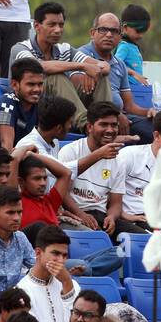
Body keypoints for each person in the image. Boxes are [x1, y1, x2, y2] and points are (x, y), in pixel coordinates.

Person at [10, 2, 103, 132]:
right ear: (37, 26)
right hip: (32, 102)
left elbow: (103, 66)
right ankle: (88, 127)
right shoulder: (21, 48)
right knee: (56, 77)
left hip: (61, 104)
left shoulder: (64, 49)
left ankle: (106, 121)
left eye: (61, 25)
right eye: (52, 25)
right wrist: (84, 67)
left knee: (100, 77)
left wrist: (92, 72)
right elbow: (39, 67)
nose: (58, 30)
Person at [75, 13, 155, 143]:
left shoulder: (120, 64)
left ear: (120, 35)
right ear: (92, 33)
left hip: (121, 117)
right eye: (103, 30)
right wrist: (115, 115)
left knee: (160, 128)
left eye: (114, 31)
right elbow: (81, 96)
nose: (108, 35)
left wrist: (148, 112)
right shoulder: (81, 56)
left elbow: (129, 106)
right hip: (92, 118)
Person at [55, 101, 130, 239]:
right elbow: (62, 193)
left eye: (114, 125)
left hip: (101, 216)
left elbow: (116, 202)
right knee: (97, 239)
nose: (110, 130)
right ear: (89, 127)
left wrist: (112, 217)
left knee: (147, 241)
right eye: (103, 124)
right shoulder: (70, 151)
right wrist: (81, 214)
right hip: (75, 212)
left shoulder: (119, 160)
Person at [113, 108, 161, 231]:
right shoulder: (129, 155)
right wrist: (123, 214)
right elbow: (106, 190)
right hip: (133, 220)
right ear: (157, 135)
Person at [15, 225, 78, 322]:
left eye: (64, 255)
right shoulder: (21, 291)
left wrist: (67, 284)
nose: (61, 260)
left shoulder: (70, 284)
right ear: (38, 253)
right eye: (56, 254)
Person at [0, 57, 46, 150]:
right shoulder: (6, 105)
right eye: (31, 84)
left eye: (40, 84)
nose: (37, 89)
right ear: (15, 85)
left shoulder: (41, 103)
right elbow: (7, 147)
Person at [115, 4, 153, 87]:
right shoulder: (124, 46)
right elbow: (115, 64)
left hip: (136, 88)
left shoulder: (133, 46)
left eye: (143, 31)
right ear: (125, 28)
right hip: (127, 88)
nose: (141, 35)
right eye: (138, 31)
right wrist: (133, 73)